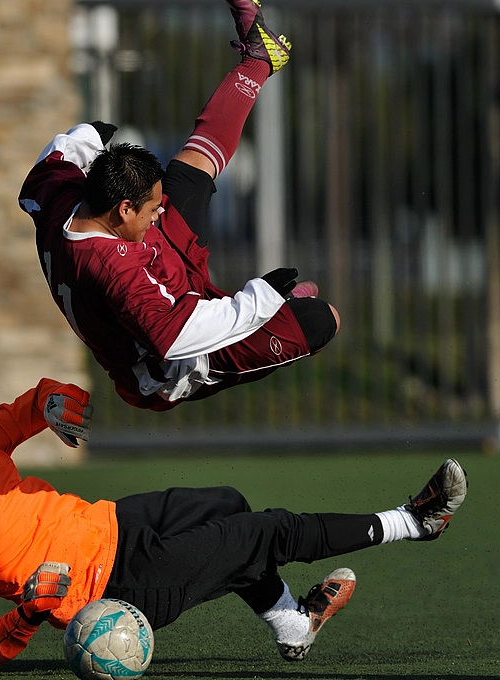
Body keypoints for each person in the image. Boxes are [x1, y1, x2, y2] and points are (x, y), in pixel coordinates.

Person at [0, 378, 467, 668]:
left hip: (116, 523)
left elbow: (29, 406)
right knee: (264, 532)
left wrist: (57, 402)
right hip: (118, 586)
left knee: (228, 503)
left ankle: (293, 626)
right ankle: (414, 522)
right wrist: (29, 613)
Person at [19, 0, 338, 411]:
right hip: (177, 364)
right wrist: (259, 302)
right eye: (152, 208)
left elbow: (51, 163)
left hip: (163, 274)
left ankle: (259, 59)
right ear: (124, 209)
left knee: (189, 170)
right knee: (323, 319)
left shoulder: (63, 197)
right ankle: (284, 313)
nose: (161, 211)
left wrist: (86, 136)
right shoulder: (115, 271)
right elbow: (175, 337)